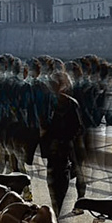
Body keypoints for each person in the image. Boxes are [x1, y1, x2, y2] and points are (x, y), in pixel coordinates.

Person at [40, 70, 87, 214]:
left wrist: (63, 138)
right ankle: (56, 207)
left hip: (63, 147)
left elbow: (77, 128)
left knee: (60, 177)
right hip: (54, 148)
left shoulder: (69, 104)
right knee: (53, 178)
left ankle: (58, 207)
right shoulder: (48, 102)